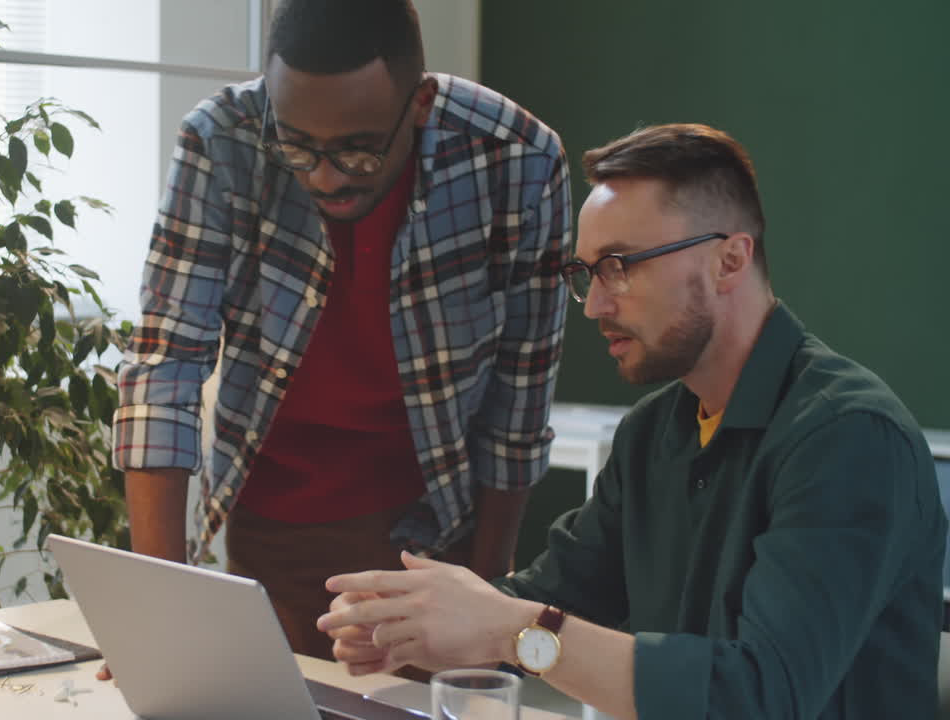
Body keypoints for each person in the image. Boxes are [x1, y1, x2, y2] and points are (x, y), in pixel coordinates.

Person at [318, 123, 946, 717]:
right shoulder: (653, 432)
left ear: (729, 260)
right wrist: (417, 623)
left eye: (620, 265)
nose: (593, 304)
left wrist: (512, 630)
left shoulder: (848, 438)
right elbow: (557, 594)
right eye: (585, 274)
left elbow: (758, 697)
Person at [112, 0, 570, 661]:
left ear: (420, 105)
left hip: (436, 528)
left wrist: (488, 590)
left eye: (356, 150)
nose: (322, 176)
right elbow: (164, 367)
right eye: (296, 144)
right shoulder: (222, 140)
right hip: (271, 517)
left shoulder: (517, 158)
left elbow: (520, 398)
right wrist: (158, 606)